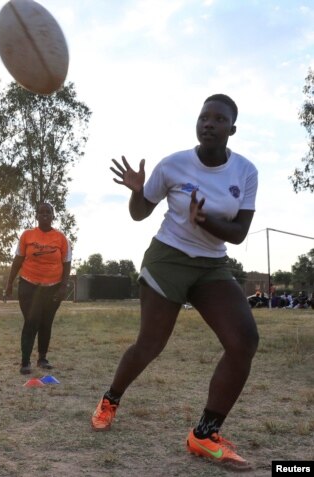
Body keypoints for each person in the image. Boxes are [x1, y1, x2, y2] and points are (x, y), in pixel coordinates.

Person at [92, 94, 259, 471]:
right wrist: (138, 191)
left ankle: (204, 434)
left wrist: (206, 222)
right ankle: (111, 398)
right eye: (204, 117)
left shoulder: (245, 172)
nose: (210, 124)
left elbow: (237, 233)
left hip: (212, 264)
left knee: (244, 340)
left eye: (219, 119)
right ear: (197, 124)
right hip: (168, 258)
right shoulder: (173, 165)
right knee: (150, 345)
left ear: (232, 129)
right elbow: (140, 214)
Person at [5, 202, 72, 375]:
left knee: (46, 322)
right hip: (29, 286)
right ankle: (25, 361)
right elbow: (18, 259)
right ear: (36, 216)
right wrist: (9, 282)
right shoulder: (27, 235)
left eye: (48, 212)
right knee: (31, 321)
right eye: (41, 212)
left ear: (53, 216)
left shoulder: (61, 238)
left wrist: (63, 286)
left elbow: (66, 263)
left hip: (53, 288)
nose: (44, 215)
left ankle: (42, 358)